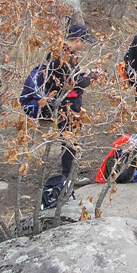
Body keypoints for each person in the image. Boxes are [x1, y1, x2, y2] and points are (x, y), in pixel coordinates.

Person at [44, 23, 96, 178]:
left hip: (60, 99)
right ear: (78, 40)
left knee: (70, 137)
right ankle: (68, 174)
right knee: (70, 137)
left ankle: (71, 168)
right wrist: (89, 79)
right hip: (67, 102)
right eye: (83, 41)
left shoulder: (56, 52)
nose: (83, 45)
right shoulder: (65, 56)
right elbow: (75, 82)